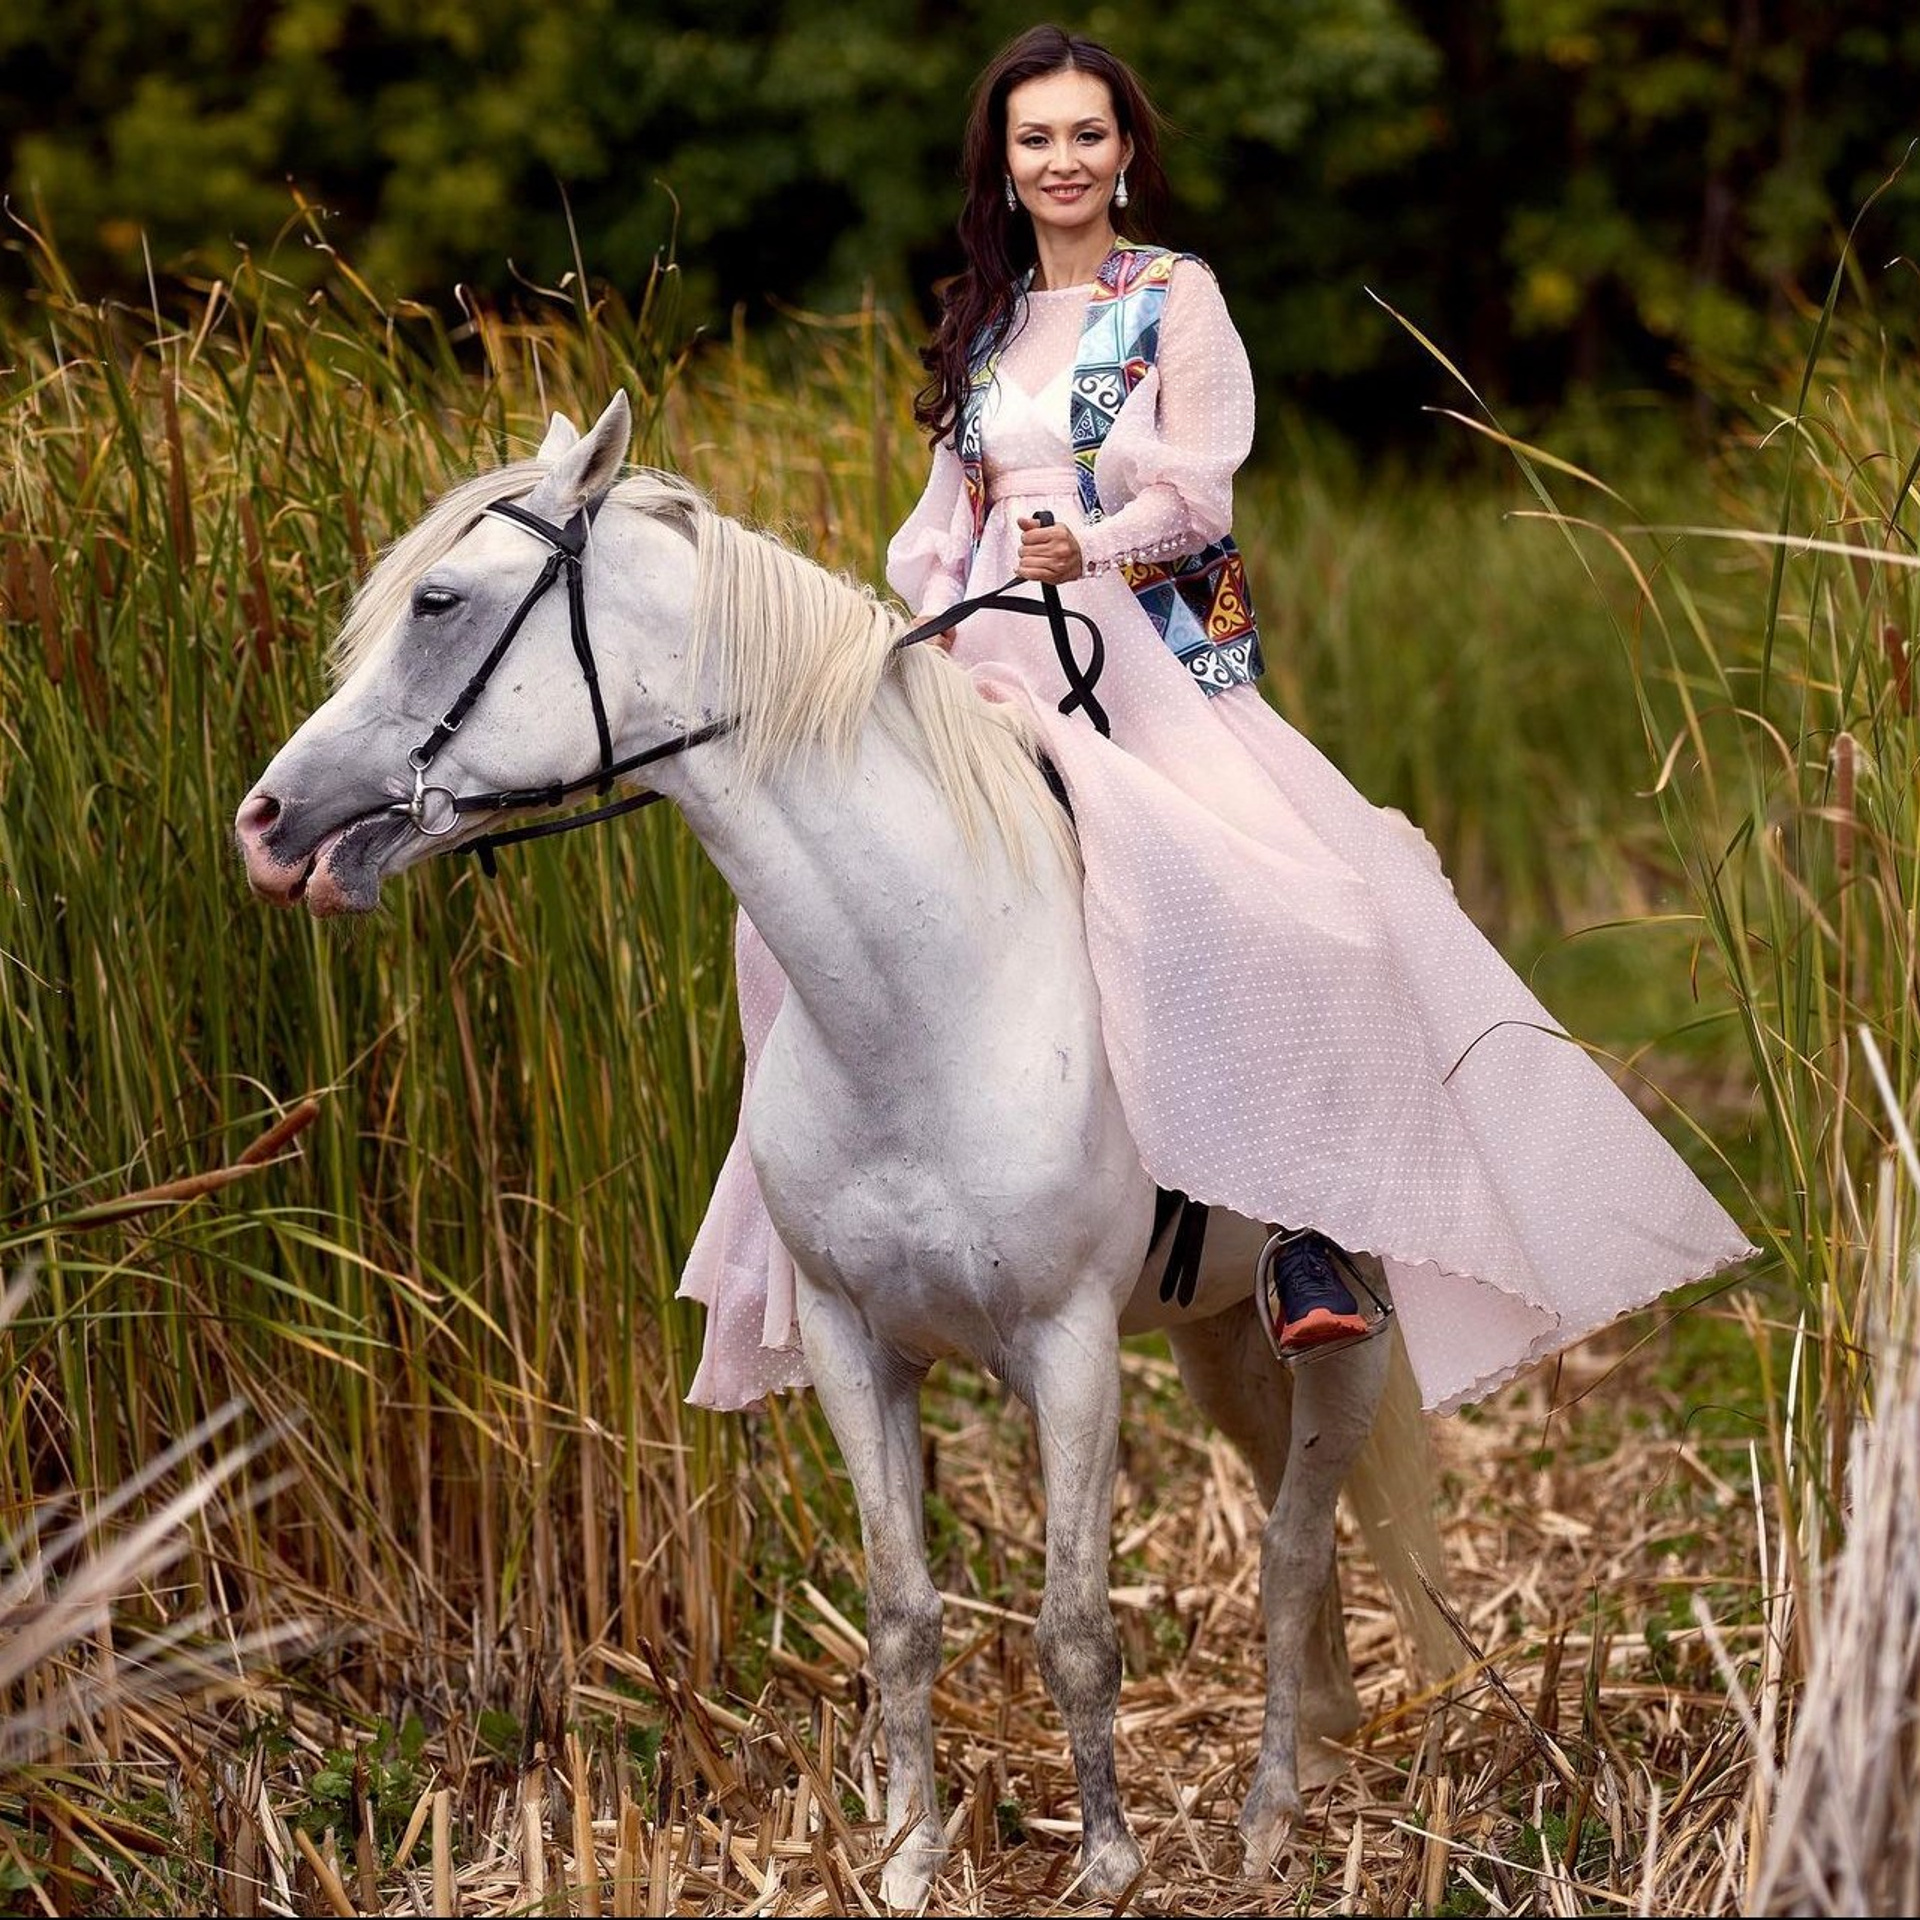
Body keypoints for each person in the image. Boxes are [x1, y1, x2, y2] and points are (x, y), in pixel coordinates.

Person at [678, 24, 1753, 1414]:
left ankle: (1305, 1232)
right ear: (1002, 167)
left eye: (1085, 135)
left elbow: (1201, 492)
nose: (1061, 160)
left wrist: (1095, 542)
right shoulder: (984, 323)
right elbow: (945, 524)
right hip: (997, 659)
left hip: (1147, 660)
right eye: (1034, 139)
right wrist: (910, 633)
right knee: (799, 899)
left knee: (1302, 898)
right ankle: (809, 1214)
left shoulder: (1172, 296)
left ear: (1124, 153)